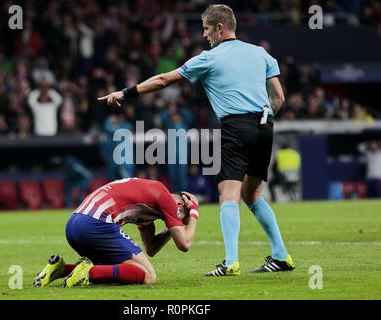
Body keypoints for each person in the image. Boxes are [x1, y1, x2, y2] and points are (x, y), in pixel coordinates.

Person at [98, 4, 294, 275]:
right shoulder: (261, 54)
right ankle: (281, 256)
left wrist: (125, 93)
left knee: (228, 194)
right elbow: (280, 99)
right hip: (265, 125)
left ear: (219, 28)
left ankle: (231, 262)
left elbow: (165, 80)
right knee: (252, 194)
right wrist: (263, 120)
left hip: (236, 126)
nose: (204, 35)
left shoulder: (209, 58)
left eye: (206, 29)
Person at [33, 178, 199, 287]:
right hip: (95, 223)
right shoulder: (165, 197)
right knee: (149, 276)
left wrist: (172, 227)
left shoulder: (150, 203)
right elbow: (184, 244)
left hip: (73, 224)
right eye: (181, 221)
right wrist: (194, 213)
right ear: (181, 205)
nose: (179, 224)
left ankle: (61, 269)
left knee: (117, 269)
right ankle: (88, 273)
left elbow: (151, 249)